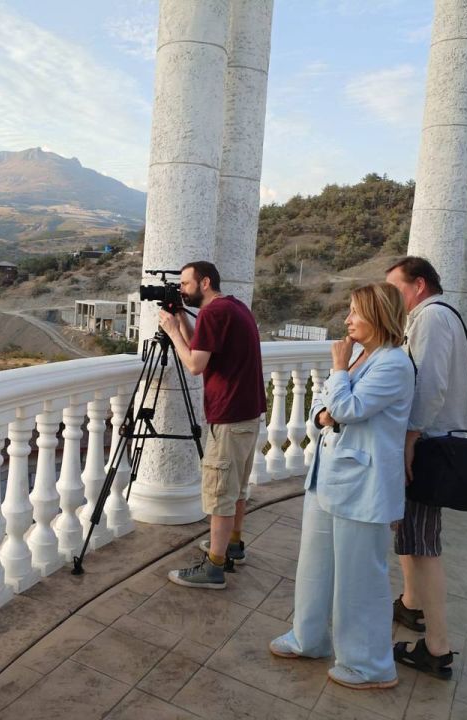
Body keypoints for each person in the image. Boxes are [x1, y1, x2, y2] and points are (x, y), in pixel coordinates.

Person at [269, 283, 415, 690]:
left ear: (379, 316)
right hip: (329, 477)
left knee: (359, 578)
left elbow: (346, 409)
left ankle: (370, 666)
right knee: (313, 565)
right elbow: (322, 410)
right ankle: (308, 638)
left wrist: (337, 372)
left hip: (364, 487)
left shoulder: (394, 364)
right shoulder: (361, 358)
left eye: (355, 312)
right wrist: (330, 404)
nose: (347, 319)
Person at [385, 256, 467, 680]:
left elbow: (430, 384)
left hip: (428, 445)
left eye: (396, 289)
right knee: (414, 534)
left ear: (418, 285)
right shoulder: (444, 315)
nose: (393, 299)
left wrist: (410, 440)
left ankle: (438, 648)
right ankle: (411, 604)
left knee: (424, 545)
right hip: (434, 441)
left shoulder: (431, 318)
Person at [157, 261, 266, 590]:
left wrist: (173, 331)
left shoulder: (213, 313)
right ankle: (232, 545)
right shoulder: (232, 306)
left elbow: (193, 364)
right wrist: (182, 324)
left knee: (221, 492)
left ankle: (214, 567)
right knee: (236, 488)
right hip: (247, 413)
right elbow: (204, 349)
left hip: (230, 416)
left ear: (205, 282)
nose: (182, 290)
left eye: (186, 284)